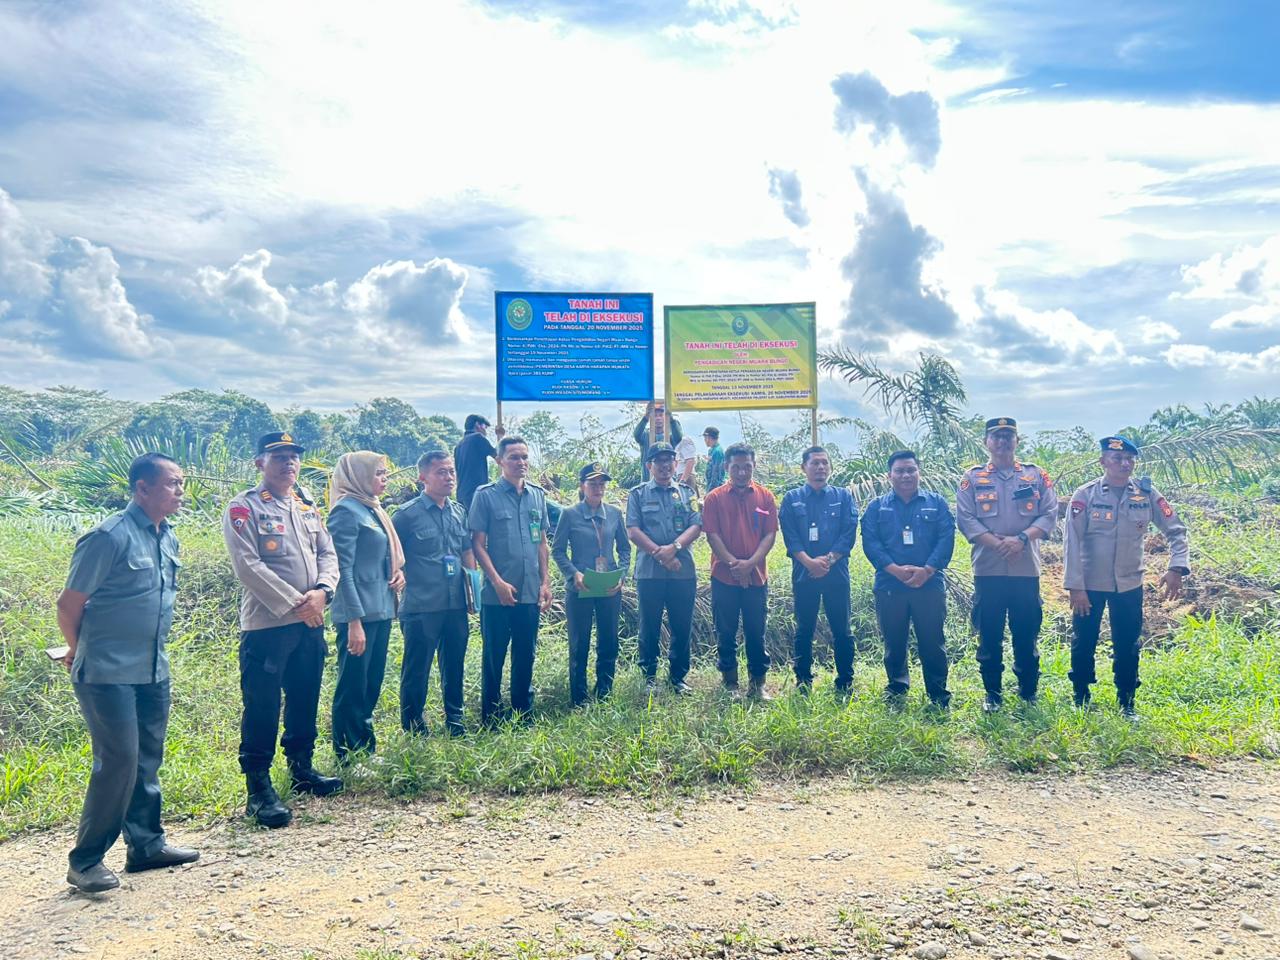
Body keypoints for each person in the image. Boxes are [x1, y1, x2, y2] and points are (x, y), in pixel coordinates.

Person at [56, 453, 198, 893]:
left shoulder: (167, 535)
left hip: (153, 667)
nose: (180, 491)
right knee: (117, 762)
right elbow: (69, 605)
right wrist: (83, 652)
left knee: (147, 759)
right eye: (172, 483)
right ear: (142, 488)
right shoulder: (107, 537)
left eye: (181, 483)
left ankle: (146, 845)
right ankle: (85, 861)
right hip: (106, 671)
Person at [223, 432, 343, 829]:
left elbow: (327, 553)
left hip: (310, 620)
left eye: (293, 457)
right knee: (262, 705)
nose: (289, 463)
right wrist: (300, 602)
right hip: (268, 625)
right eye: (279, 457)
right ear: (260, 463)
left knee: (305, 697)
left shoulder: (306, 506)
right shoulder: (245, 507)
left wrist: (323, 592)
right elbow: (247, 565)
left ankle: (301, 769)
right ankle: (258, 788)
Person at [1064, 436, 1190, 718]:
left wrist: (1176, 567)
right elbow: (1071, 541)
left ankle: (1127, 700)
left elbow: (1176, 529)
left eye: (1129, 459)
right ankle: (1081, 695)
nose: (1124, 463)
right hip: (1090, 585)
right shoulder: (1085, 495)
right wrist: (1075, 587)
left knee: (1127, 642)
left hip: (1129, 583)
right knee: (1084, 639)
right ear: (1103, 462)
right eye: (1117, 458)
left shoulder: (1146, 494)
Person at [955, 417, 1058, 712]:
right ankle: (993, 695)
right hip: (988, 569)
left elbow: (1049, 512)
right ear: (986, 442)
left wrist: (1022, 539)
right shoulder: (972, 478)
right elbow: (965, 518)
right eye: (996, 436)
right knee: (989, 635)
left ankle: (1028, 692)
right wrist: (998, 543)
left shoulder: (1036, 475)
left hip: (1026, 569)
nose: (1002, 442)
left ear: (1017, 441)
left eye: (1008, 436)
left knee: (1026, 633)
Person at [860, 451, 956, 710]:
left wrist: (927, 569)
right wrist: (894, 569)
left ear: (918, 472)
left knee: (933, 640)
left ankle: (938, 695)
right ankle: (897, 689)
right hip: (890, 584)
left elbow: (946, 538)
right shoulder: (877, 507)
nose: (906, 475)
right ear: (889, 475)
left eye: (911, 470)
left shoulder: (936, 503)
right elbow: (870, 542)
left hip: (929, 583)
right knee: (894, 641)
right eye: (900, 471)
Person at [469, 436, 553, 725]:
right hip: (497, 594)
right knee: (494, 654)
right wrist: (497, 582)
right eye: (514, 457)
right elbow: (478, 544)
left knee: (525, 653)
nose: (521, 463)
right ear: (500, 461)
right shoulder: (486, 495)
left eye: (524, 457)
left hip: (529, 590)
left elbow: (542, 542)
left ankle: (522, 711)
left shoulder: (537, 495)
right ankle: (491, 716)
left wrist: (546, 582)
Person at [327, 452, 405, 761]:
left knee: (371, 681)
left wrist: (398, 574)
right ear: (358, 476)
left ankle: (364, 747)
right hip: (359, 615)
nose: (384, 478)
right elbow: (341, 570)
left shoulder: (372, 509)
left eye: (386, 473)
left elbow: (383, 556)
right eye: (378, 473)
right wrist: (354, 620)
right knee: (352, 684)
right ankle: (347, 753)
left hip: (381, 608)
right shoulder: (346, 512)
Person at [393, 451, 475, 736]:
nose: (449, 477)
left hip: (454, 603)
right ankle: (414, 727)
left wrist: (472, 590)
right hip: (421, 606)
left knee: (453, 666)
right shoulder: (406, 515)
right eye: (441, 472)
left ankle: (455, 721)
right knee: (417, 670)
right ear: (423, 477)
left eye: (451, 471)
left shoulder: (458, 511)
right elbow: (391, 556)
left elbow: (466, 550)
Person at [701, 443, 778, 699]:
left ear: (754, 466)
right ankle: (730, 683)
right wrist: (735, 565)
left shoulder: (766, 497)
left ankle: (758, 684)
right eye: (736, 467)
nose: (742, 472)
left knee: (757, 630)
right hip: (724, 577)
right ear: (727, 467)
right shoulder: (714, 498)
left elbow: (769, 535)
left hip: (757, 577)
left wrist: (750, 565)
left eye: (747, 466)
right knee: (726, 630)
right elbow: (712, 535)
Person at [779, 445, 857, 694]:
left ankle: (845, 681)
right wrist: (810, 563)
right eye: (815, 463)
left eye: (825, 463)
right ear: (804, 468)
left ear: (830, 467)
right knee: (804, 629)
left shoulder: (843, 497)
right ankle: (803, 681)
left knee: (842, 629)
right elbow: (791, 539)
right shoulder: (792, 499)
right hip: (804, 574)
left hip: (837, 575)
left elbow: (848, 534)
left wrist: (828, 560)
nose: (821, 467)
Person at [552, 462, 632, 706]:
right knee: (580, 642)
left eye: (601, 483)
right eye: (592, 483)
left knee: (608, 640)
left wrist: (621, 575)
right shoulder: (570, 514)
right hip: (580, 587)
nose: (598, 488)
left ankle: (605, 691)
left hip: (608, 587)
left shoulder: (615, 513)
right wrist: (573, 574)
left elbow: (625, 549)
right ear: (582, 486)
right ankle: (579, 697)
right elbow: (558, 551)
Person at [626, 442, 702, 694]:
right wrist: (661, 554)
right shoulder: (637, 494)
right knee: (649, 625)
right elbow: (633, 531)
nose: (665, 465)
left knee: (682, 624)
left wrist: (675, 547)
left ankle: (678, 677)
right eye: (659, 461)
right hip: (650, 572)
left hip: (683, 572)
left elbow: (696, 526)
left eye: (669, 460)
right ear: (649, 465)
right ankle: (648, 677)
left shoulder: (687, 493)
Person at [454, 414, 501, 511]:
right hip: (476, 492)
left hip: (461, 494)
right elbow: (499, 456)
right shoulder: (477, 438)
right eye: (485, 427)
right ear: (478, 425)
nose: (485, 430)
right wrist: (500, 436)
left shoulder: (459, 445)